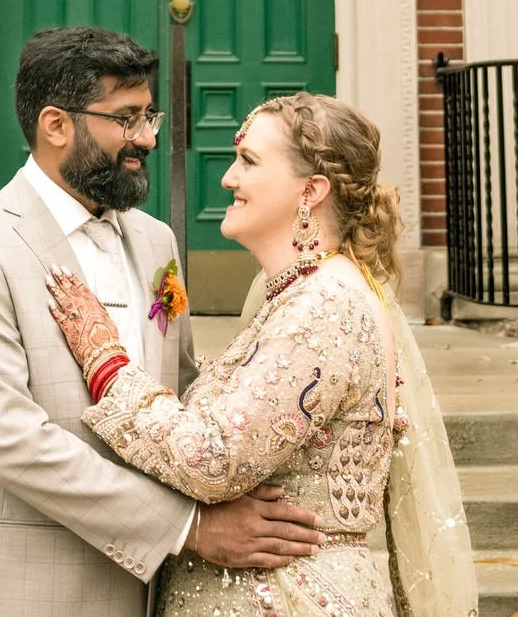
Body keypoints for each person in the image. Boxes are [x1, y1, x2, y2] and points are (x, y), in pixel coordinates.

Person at [0, 26, 330, 616]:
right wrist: (188, 526)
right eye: (126, 118)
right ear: (56, 125)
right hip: (24, 586)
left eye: (149, 117)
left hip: (150, 590)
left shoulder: (153, 238)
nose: (147, 139)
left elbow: (181, 390)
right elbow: (6, 437)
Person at [46, 92, 479, 617]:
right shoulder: (304, 294)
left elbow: (215, 460)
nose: (228, 178)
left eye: (249, 161)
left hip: (291, 597)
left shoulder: (324, 308)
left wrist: (106, 362)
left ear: (311, 190)